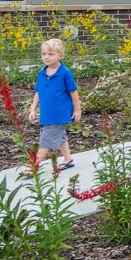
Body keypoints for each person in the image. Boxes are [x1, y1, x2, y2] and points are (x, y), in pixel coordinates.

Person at [28, 38, 81, 172]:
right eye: (44, 54)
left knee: (46, 138)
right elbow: (38, 92)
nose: (46, 57)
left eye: (51, 54)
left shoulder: (65, 73)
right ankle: (68, 159)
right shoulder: (41, 73)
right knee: (60, 136)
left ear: (60, 55)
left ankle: (34, 165)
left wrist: (77, 110)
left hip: (60, 113)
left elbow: (73, 92)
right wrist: (33, 108)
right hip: (48, 113)